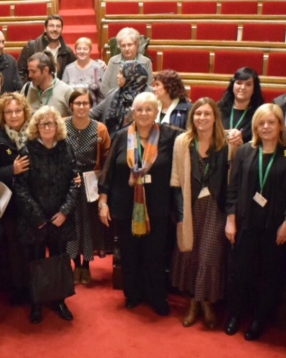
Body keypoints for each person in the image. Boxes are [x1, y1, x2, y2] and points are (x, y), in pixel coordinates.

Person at [225, 104, 286, 341]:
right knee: (241, 273)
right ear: (255, 126)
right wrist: (230, 220)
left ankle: (260, 319)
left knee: (270, 276)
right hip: (246, 223)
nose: (266, 127)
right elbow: (233, 188)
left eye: (271, 122)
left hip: (275, 226)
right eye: (261, 123)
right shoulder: (245, 151)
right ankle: (235, 315)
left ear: (280, 125)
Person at [99, 92, 181, 316]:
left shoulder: (171, 137)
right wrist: (103, 202)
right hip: (125, 206)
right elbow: (108, 171)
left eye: (149, 109)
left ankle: (156, 296)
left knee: (155, 254)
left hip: (157, 206)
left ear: (157, 112)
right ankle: (133, 295)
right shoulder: (121, 136)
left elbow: (200, 136)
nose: (144, 113)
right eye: (139, 109)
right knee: (130, 253)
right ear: (132, 112)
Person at [13, 106, 79, 323]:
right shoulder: (27, 151)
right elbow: (20, 188)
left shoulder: (66, 148)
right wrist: (38, 218)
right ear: (36, 127)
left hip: (61, 218)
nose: (48, 127)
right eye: (43, 124)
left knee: (61, 258)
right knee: (36, 260)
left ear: (58, 125)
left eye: (51, 123)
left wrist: (64, 212)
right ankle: (37, 302)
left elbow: (74, 182)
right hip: (35, 220)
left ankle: (59, 300)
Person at [170, 98, 230, 329]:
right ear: (191, 117)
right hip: (189, 204)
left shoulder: (227, 143)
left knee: (209, 256)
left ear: (215, 117)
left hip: (216, 207)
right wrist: (180, 214)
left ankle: (203, 303)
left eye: (207, 114)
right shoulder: (182, 142)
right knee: (191, 253)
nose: (202, 118)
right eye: (197, 114)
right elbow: (176, 180)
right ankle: (196, 303)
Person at [0, 93, 33, 303]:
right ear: (2, 115)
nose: (13, 115)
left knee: (33, 246)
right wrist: (11, 170)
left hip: (32, 203)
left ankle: (35, 286)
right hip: (9, 204)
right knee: (13, 247)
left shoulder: (35, 134)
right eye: (9, 111)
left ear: (25, 112)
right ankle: (17, 288)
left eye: (17, 110)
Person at [64, 87, 111, 285]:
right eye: (78, 103)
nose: (81, 107)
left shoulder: (100, 128)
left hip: (92, 182)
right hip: (69, 181)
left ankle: (86, 266)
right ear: (71, 105)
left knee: (89, 225)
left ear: (91, 105)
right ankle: (75, 264)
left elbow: (107, 157)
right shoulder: (62, 125)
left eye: (85, 103)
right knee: (73, 224)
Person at [91, 61, 153, 137]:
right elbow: (93, 113)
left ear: (130, 76)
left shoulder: (149, 95)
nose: (117, 76)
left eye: (121, 73)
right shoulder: (114, 93)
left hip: (140, 141)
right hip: (113, 142)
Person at [17, 14, 77, 82]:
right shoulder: (31, 47)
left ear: (61, 29)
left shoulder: (67, 52)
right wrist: (30, 89)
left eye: (58, 26)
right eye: (51, 26)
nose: (55, 29)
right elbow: (20, 72)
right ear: (45, 29)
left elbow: (74, 72)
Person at [217, 66, 265, 147]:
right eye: (239, 83)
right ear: (232, 85)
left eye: (248, 84)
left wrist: (241, 143)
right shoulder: (218, 108)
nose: (242, 88)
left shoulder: (261, 113)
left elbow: (263, 143)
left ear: (254, 88)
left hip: (247, 156)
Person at [100, 27, 154, 97]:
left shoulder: (146, 62)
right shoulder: (113, 61)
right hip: (115, 103)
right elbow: (104, 87)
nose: (126, 48)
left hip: (138, 104)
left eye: (129, 45)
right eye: (123, 45)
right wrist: (116, 100)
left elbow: (149, 88)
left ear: (136, 45)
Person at [21, 51, 73, 116]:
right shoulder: (27, 88)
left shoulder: (66, 91)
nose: (30, 75)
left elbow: (75, 119)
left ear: (45, 70)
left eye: (33, 72)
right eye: (29, 71)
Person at [61, 37, 107, 103]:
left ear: (90, 50)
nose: (82, 51)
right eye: (79, 49)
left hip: (94, 109)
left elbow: (103, 94)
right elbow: (63, 92)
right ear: (75, 51)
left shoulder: (98, 68)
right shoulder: (68, 69)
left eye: (85, 49)